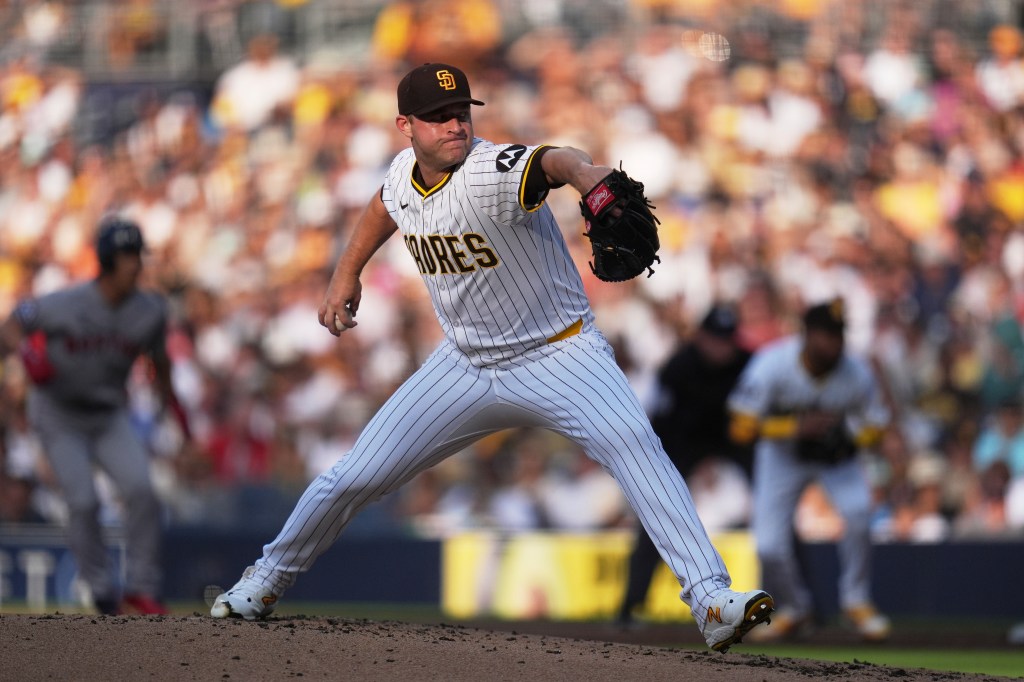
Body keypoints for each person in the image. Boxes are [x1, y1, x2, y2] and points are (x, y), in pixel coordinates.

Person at [210, 62, 774, 652]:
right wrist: (345, 273)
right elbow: (383, 205)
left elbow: (552, 160)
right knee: (353, 475)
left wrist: (587, 177)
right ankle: (264, 581)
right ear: (405, 124)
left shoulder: (492, 169)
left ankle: (711, 599)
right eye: (437, 117)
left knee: (636, 446)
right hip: (466, 364)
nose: (455, 124)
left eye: (461, 112)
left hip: (560, 353)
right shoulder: (403, 176)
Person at [0, 216, 192, 615]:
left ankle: (141, 588)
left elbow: (160, 364)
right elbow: (15, 323)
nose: (135, 263)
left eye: (137, 254)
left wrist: (177, 414)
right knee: (83, 501)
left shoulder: (150, 309)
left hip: (107, 413)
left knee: (142, 490)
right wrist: (27, 353)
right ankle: (102, 590)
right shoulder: (66, 302)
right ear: (106, 259)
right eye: (127, 255)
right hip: (57, 411)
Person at [727, 299, 891, 641]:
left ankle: (856, 601)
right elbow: (739, 428)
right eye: (825, 334)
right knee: (769, 545)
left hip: (834, 459)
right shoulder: (772, 364)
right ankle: (794, 607)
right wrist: (793, 428)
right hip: (781, 456)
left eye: (838, 335)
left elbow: (877, 423)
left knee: (860, 512)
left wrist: (852, 441)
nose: (832, 343)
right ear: (807, 334)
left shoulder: (856, 372)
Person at [616, 303, 753, 626]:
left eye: (727, 340)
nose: (721, 347)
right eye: (715, 339)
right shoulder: (678, 368)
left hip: (736, 443)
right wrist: (692, 466)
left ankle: (801, 608)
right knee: (657, 511)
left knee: (776, 504)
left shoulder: (749, 364)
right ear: (701, 337)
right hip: (683, 445)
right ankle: (630, 608)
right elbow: (661, 429)